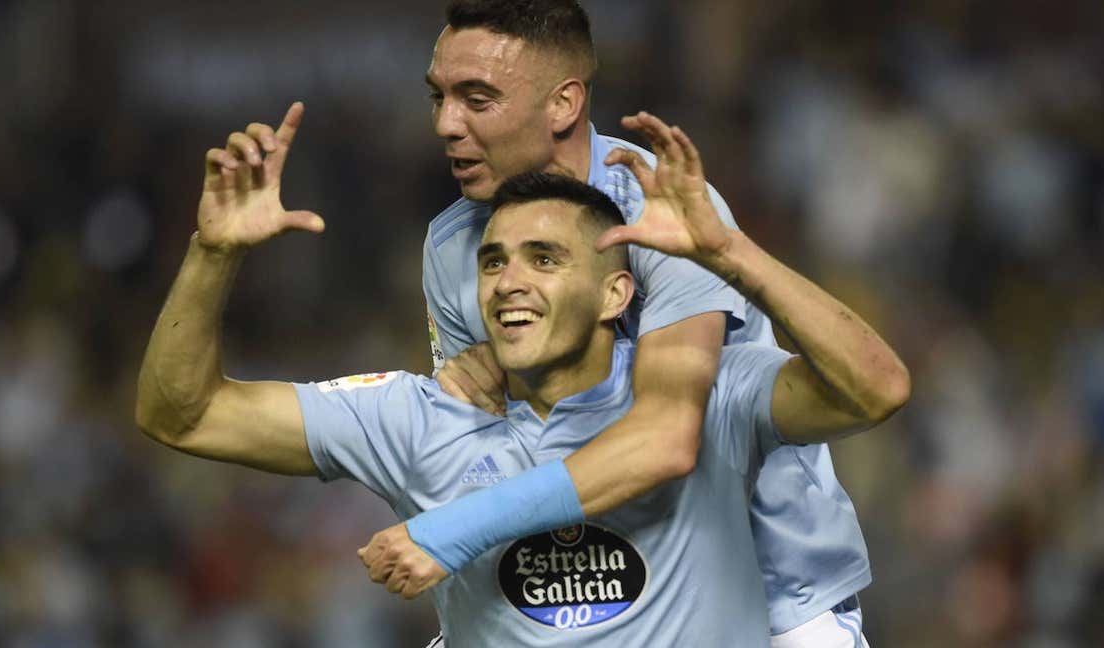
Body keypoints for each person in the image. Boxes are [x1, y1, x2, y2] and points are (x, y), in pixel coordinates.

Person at [133, 102, 909, 645]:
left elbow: (877, 386)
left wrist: (732, 256)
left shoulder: (712, 397)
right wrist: (213, 254)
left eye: (545, 259)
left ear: (617, 291)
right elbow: (184, 415)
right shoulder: (418, 417)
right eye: (494, 261)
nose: (511, 280)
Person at [353, 1, 878, 644]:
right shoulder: (452, 247)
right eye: (438, 97)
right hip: (602, 589)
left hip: (773, 591)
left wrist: (451, 533)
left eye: (477, 99)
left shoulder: (663, 212)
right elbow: (486, 449)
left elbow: (666, 439)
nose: (445, 124)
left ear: (563, 105)